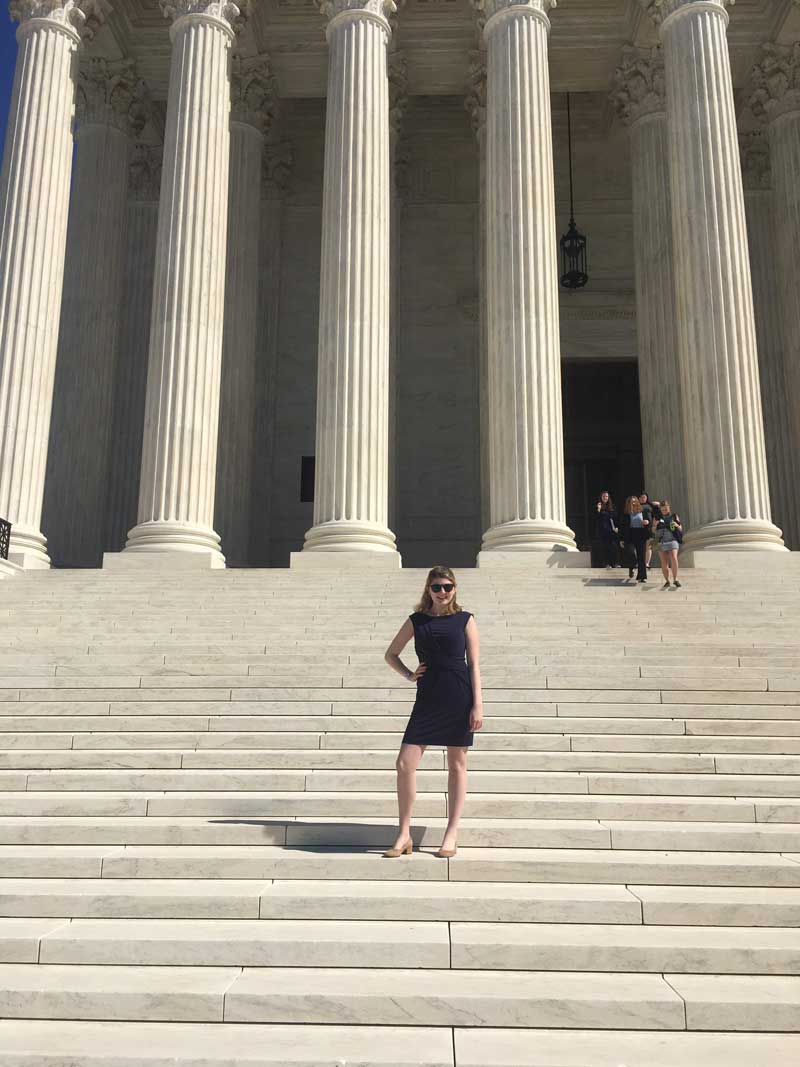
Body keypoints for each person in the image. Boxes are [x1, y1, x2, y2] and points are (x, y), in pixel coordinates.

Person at [383, 566, 483, 859]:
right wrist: (408, 674)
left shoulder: (465, 619)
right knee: (404, 763)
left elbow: (474, 664)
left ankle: (451, 832)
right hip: (427, 697)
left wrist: (478, 704)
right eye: (437, 587)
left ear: (455, 589)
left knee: (456, 765)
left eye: (448, 587)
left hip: (458, 695)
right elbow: (391, 653)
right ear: (428, 589)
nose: (442, 592)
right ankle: (404, 834)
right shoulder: (417, 621)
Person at [619, 495, 649, 582]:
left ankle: (642, 577)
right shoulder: (626, 514)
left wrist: (647, 522)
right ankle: (632, 566)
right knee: (631, 552)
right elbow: (622, 527)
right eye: (631, 502)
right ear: (628, 503)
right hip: (630, 535)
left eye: (635, 501)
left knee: (641, 556)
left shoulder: (643, 512)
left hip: (640, 534)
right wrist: (621, 539)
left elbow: (649, 522)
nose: (633, 503)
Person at [655, 499, 683, 589]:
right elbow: (653, 531)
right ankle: (667, 581)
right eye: (663, 510)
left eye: (666, 509)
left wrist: (677, 525)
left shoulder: (674, 516)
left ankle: (675, 579)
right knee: (664, 562)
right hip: (661, 541)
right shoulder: (657, 518)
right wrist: (655, 525)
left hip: (672, 539)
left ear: (669, 508)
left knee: (674, 557)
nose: (664, 511)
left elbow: (680, 528)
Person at [595, 491, 619, 568]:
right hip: (603, 530)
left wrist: (617, 527)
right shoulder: (599, 506)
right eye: (603, 496)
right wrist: (598, 509)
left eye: (606, 496)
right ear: (601, 497)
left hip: (612, 530)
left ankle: (615, 563)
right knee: (605, 547)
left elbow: (616, 518)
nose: (605, 498)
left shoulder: (612, 507)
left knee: (614, 546)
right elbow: (596, 518)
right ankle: (606, 563)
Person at [639, 492, 655, 569]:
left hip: (649, 528)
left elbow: (656, 514)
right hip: (639, 527)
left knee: (648, 546)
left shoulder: (650, 506)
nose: (643, 498)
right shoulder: (636, 506)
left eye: (644, 497)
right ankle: (640, 563)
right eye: (641, 497)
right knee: (640, 546)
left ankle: (647, 563)